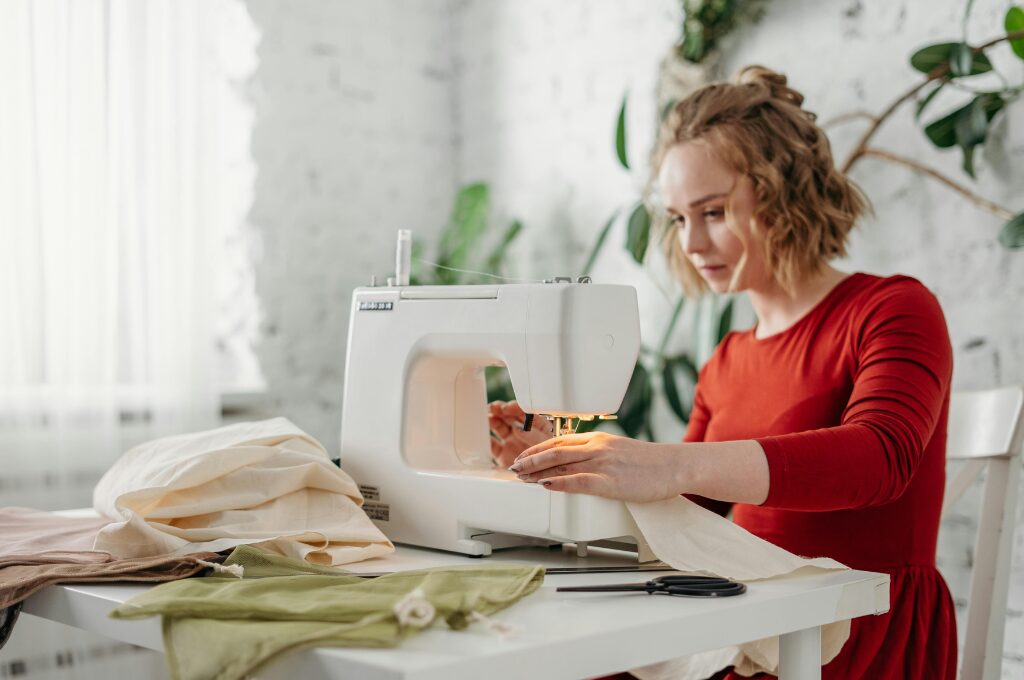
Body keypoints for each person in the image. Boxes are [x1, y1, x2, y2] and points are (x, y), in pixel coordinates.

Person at [487, 66, 957, 679]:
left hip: (853, 634)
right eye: (680, 219)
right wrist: (566, 466)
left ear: (785, 193)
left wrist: (668, 462)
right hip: (757, 621)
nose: (691, 243)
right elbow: (686, 514)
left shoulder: (892, 308)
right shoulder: (727, 359)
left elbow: (881, 457)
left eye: (712, 212)